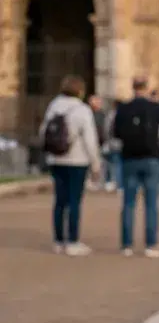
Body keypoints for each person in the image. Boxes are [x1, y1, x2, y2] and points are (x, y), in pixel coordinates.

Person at [39, 75, 102, 256]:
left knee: (59, 201)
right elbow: (90, 140)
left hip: (56, 159)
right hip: (77, 161)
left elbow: (44, 131)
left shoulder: (53, 106)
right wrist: (95, 164)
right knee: (74, 201)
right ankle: (73, 240)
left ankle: (58, 240)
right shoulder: (82, 110)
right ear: (80, 91)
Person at [113, 78, 159, 258]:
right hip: (151, 157)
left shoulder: (124, 108)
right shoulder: (155, 107)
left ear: (133, 88)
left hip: (130, 157)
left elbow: (115, 132)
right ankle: (151, 244)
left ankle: (126, 245)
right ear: (146, 88)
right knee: (151, 204)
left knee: (128, 203)